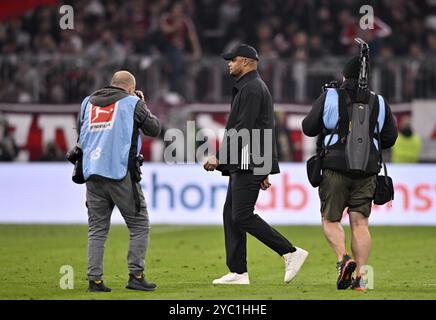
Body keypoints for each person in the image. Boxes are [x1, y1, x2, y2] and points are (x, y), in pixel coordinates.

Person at [203, 44, 308, 285]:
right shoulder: (249, 87)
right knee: (231, 215)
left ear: (247, 63)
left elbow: (244, 128)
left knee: (240, 215)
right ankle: (238, 272)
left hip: (248, 160)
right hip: (248, 160)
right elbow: (260, 128)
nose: (228, 63)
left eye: (233, 60)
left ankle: (290, 252)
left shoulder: (251, 88)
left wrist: (220, 157)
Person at [302, 56, 398, 291]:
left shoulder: (331, 96)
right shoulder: (380, 102)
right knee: (360, 223)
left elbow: (308, 127)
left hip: (335, 167)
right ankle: (361, 279)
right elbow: (390, 138)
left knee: (331, 219)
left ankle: (343, 258)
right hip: (367, 169)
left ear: (344, 76)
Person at [76, 70, 160, 292]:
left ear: (112, 84)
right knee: (139, 225)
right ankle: (136, 275)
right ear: (131, 88)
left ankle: (94, 280)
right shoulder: (132, 102)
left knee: (97, 230)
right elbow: (154, 129)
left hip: (91, 173)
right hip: (120, 173)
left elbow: (81, 132)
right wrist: (143, 104)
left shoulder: (87, 103)